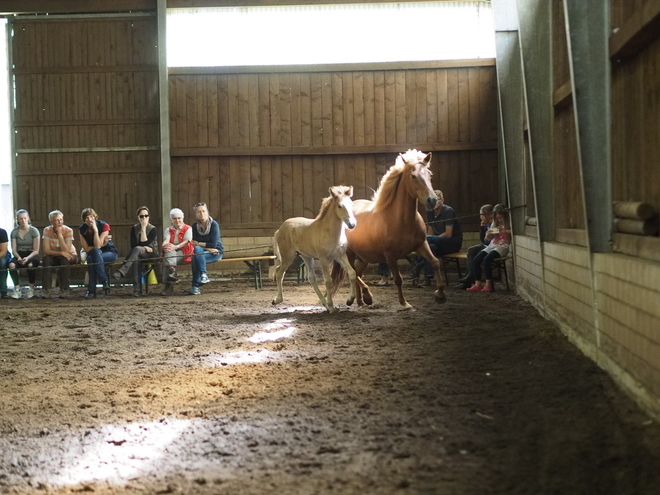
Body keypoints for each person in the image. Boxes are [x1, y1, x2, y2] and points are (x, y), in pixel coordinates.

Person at [410, 189, 463, 285]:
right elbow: (430, 231)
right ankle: (428, 278)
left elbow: (448, 233)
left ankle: (417, 267)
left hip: (452, 242)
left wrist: (431, 238)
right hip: (437, 243)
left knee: (428, 239)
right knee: (431, 247)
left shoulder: (448, 211)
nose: (435, 202)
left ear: (442, 200)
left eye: (437, 200)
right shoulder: (430, 211)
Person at [112, 206, 159, 297]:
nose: (144, 218)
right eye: (141, 216)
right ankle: (137, 290)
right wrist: (144, 246)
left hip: (151, 254)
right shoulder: (134, 228)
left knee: (137, 250)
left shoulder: (153, 229)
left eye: (146, 216)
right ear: (138, 217)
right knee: (136, 258)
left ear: (149, 216)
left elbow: (145, 242)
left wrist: (144, 229)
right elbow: (134, 245)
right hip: (138, 254)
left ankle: (122, 271)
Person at [466, 204, 511, 293]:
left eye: (501, 218)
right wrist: (488, 234)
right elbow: (486, 239)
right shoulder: (494, 224)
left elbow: (514, 231)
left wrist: (505, 231)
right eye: (497, 218)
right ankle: (477, 284)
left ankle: (488, 284)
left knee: (487, 260)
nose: (499, 220)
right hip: (492, 244)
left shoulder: (508, 224)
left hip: (502, 246)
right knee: (476, 259)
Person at [79, 208, 118, 298]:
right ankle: (103, 281)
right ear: (84, 219)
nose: (90, 220)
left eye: (91, 217)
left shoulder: (104, 225)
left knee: (92, 258)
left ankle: (91, 290)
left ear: (95, 217)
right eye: (87, 218)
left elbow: (97, 246)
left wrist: (96, 230)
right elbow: (86, 248)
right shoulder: (82, 229)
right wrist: (100, 245)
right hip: (93, 253)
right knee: (93, 256)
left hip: (109, 252)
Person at [454, 204, 494, 290]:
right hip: (485, 244)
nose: (481, 217)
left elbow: (491, 239)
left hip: (491, 246)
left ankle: (471, 277)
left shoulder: (493, 225)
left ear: (490, 215)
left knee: (476, 253)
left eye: (482, 215)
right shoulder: (486, 224)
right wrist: (482, 227)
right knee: (471, 250)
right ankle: (469, 277)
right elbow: (482, 239)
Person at [189, 202, 223, 295]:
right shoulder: (194, 226)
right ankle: (204, 275)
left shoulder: (214, 224)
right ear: (196, 214)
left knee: (196, 257)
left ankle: (195, 286)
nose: (202, 214)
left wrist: (201, 245)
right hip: (204, 251)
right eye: (199, 212)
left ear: (207, 212)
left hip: (216, 252)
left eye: (203, 211)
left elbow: (213, 245)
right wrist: (207, 248)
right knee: (197, 253)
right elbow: (194, 244)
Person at [42, 210, 78, 299]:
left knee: (64, 260)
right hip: (55, 255)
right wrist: (61, 252)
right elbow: (46, 250)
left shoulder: (68, 230)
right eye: (56, 220)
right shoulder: (47, 230)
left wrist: (60, 235)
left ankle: (64, 289)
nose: (59, 222)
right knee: (46, 259)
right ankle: (47, 290)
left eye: (61, 220)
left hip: (70, 255)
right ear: (51, 222)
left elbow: (67, 251)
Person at [8, 209, 41, 299]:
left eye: (25, 218)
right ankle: (17, 289)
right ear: (17, 220)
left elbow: (36, 250)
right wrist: (18, 257)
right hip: (19, 254)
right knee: (11, 264)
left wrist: (27, 258)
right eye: (21, 219)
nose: (23, 220)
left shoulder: (34, 231)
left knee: (30, 264)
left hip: (31, 254)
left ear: (28, 218)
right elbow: (13, 249)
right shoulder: (14, 232)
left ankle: (31, 288)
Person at [161, 208, 193, 296]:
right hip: (172, 251)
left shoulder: (188, 228)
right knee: (168, 251)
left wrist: (176, 246)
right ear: (171, 220)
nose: (177, 220)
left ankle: (168, 286)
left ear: (182, 218)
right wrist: (164, 246)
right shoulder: (168, 230)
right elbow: (166, 240)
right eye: (174, 218)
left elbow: (187, 241)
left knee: (168, 258)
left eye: (179, 218)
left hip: (184, 251)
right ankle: (171, 271)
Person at [0, 227, 9, 299]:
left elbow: (3, 252)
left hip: (2, 254)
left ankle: (3, 290)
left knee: (2, 262)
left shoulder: (2, 232)